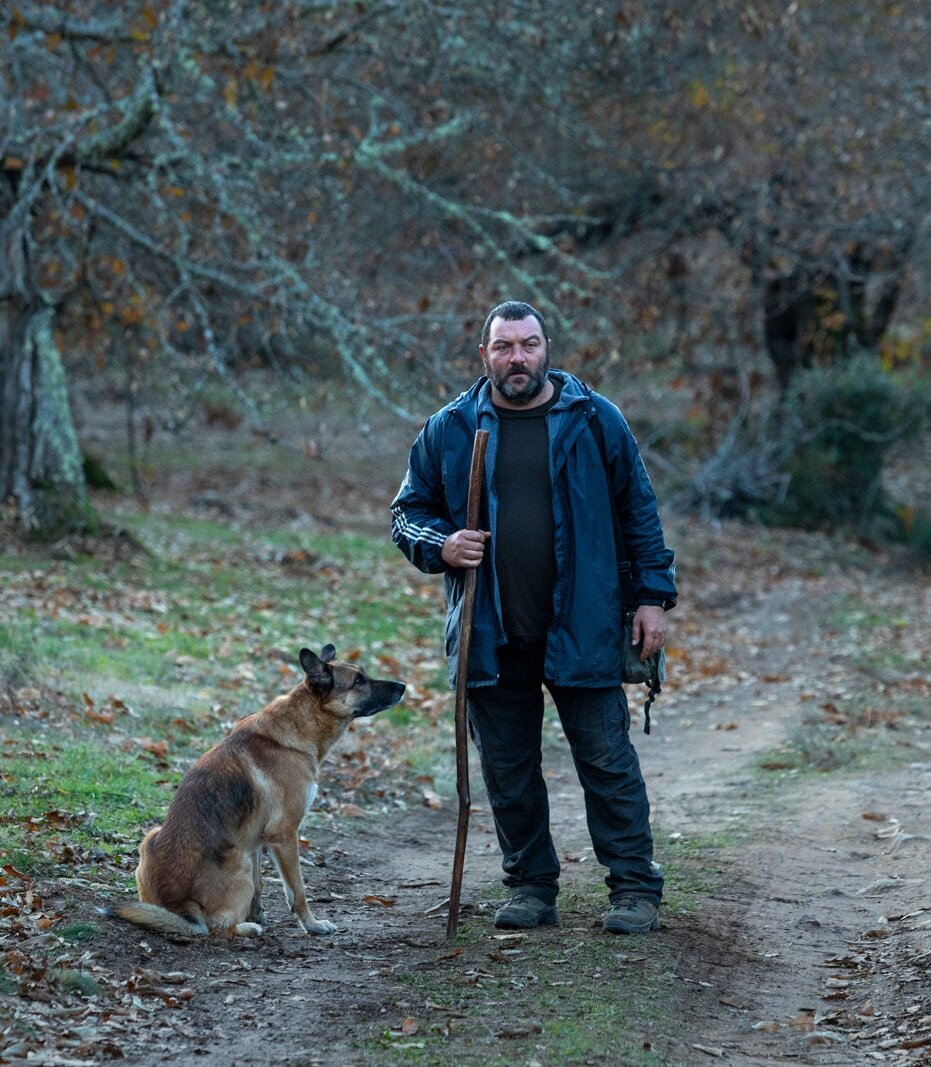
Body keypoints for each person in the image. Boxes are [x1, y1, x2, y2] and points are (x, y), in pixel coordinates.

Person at [390, 300, 677, 935]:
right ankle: (531, 888)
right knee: (509, 769)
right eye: (504, 347)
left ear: (547, 348)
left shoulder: (594, 420)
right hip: (492, 632)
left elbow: (639, 512)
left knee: (606, 760)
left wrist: (652, 596)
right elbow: (406, 512)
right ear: (484, 355)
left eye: (528, 344)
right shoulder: (451, 428)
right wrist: (441, 544)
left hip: (585, 624)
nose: (517, 357)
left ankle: (633, 888)